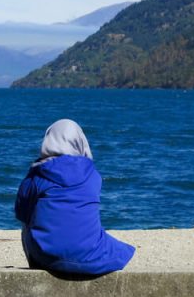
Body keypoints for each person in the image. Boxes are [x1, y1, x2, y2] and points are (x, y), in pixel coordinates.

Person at [15, 118, 135, 276]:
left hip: (47, 257)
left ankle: (35, 262)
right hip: (89, 254)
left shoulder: (37, 175)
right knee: (119, 249)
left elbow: (20, 212)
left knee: (27, 219)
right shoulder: (93, 175)